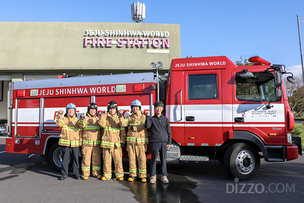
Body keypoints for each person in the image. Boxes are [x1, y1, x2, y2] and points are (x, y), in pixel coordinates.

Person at [121, 99, 148, 183]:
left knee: (142, 159)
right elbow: (123, 124)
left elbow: (144, 126)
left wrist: (133, 127)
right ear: (131, 108)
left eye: (136, 107)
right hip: (131, 143)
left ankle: (142, 176)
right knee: (132, 159)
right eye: (133, 107)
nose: (135, 109)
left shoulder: (144, 117)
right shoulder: (129, 117)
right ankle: (132, 175)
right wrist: (120, 116)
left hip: (141, 142)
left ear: (139, 108)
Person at [98, 100, 126, 181]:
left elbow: (123, 130)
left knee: (118, 160)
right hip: (106, 144)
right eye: (110, 109)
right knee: (106, 160)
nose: (111, 110)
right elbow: (102, 124)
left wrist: (122, 141)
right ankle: (107, 175)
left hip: (116, 144)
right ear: (108, 110)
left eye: (113, 109)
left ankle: (119, 175)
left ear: (116, 109)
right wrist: (103, 115)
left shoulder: (119, 118)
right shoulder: (105, 118)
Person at [146, 101, 171, 184]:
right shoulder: (152, 119)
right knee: (153, 159)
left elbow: (169, 132)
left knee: (163, 159)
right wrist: (147, 116)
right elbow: (147, 126)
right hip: (154, 141)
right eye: (157, 107)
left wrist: (169, 142)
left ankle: (164, 175)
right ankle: (153, 175)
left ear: (162, 109)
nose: (158, 109)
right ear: (154, 109)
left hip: (164, 142)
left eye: (160, 107)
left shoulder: (165, 119)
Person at [56, 103, 81, 180]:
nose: (71, 112)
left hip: (75, 143)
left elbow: (82, 127)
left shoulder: (77, 120)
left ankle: (76, 174)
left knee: (76, 160)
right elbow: (59, 123)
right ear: (67, 111)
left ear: (75, 111)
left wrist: (82, 119)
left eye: (72, 110)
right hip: (65, 143)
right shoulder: (63, 120)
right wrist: (60, 114)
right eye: (69, 110)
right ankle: (64, 174)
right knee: (65, 160)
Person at [78, 103, 102, 180]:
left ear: (96, 111)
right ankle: (85, 174)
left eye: (94, 110)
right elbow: (80, 130)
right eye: (91, 110)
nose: (92, 111)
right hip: (87, 143)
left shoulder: (99, 119)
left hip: (96, 143)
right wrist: (80, 140)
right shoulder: (84, 118)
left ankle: (96, 173)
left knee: (96, 159)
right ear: (88, 110)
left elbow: (101, 131)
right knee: (86, 159)